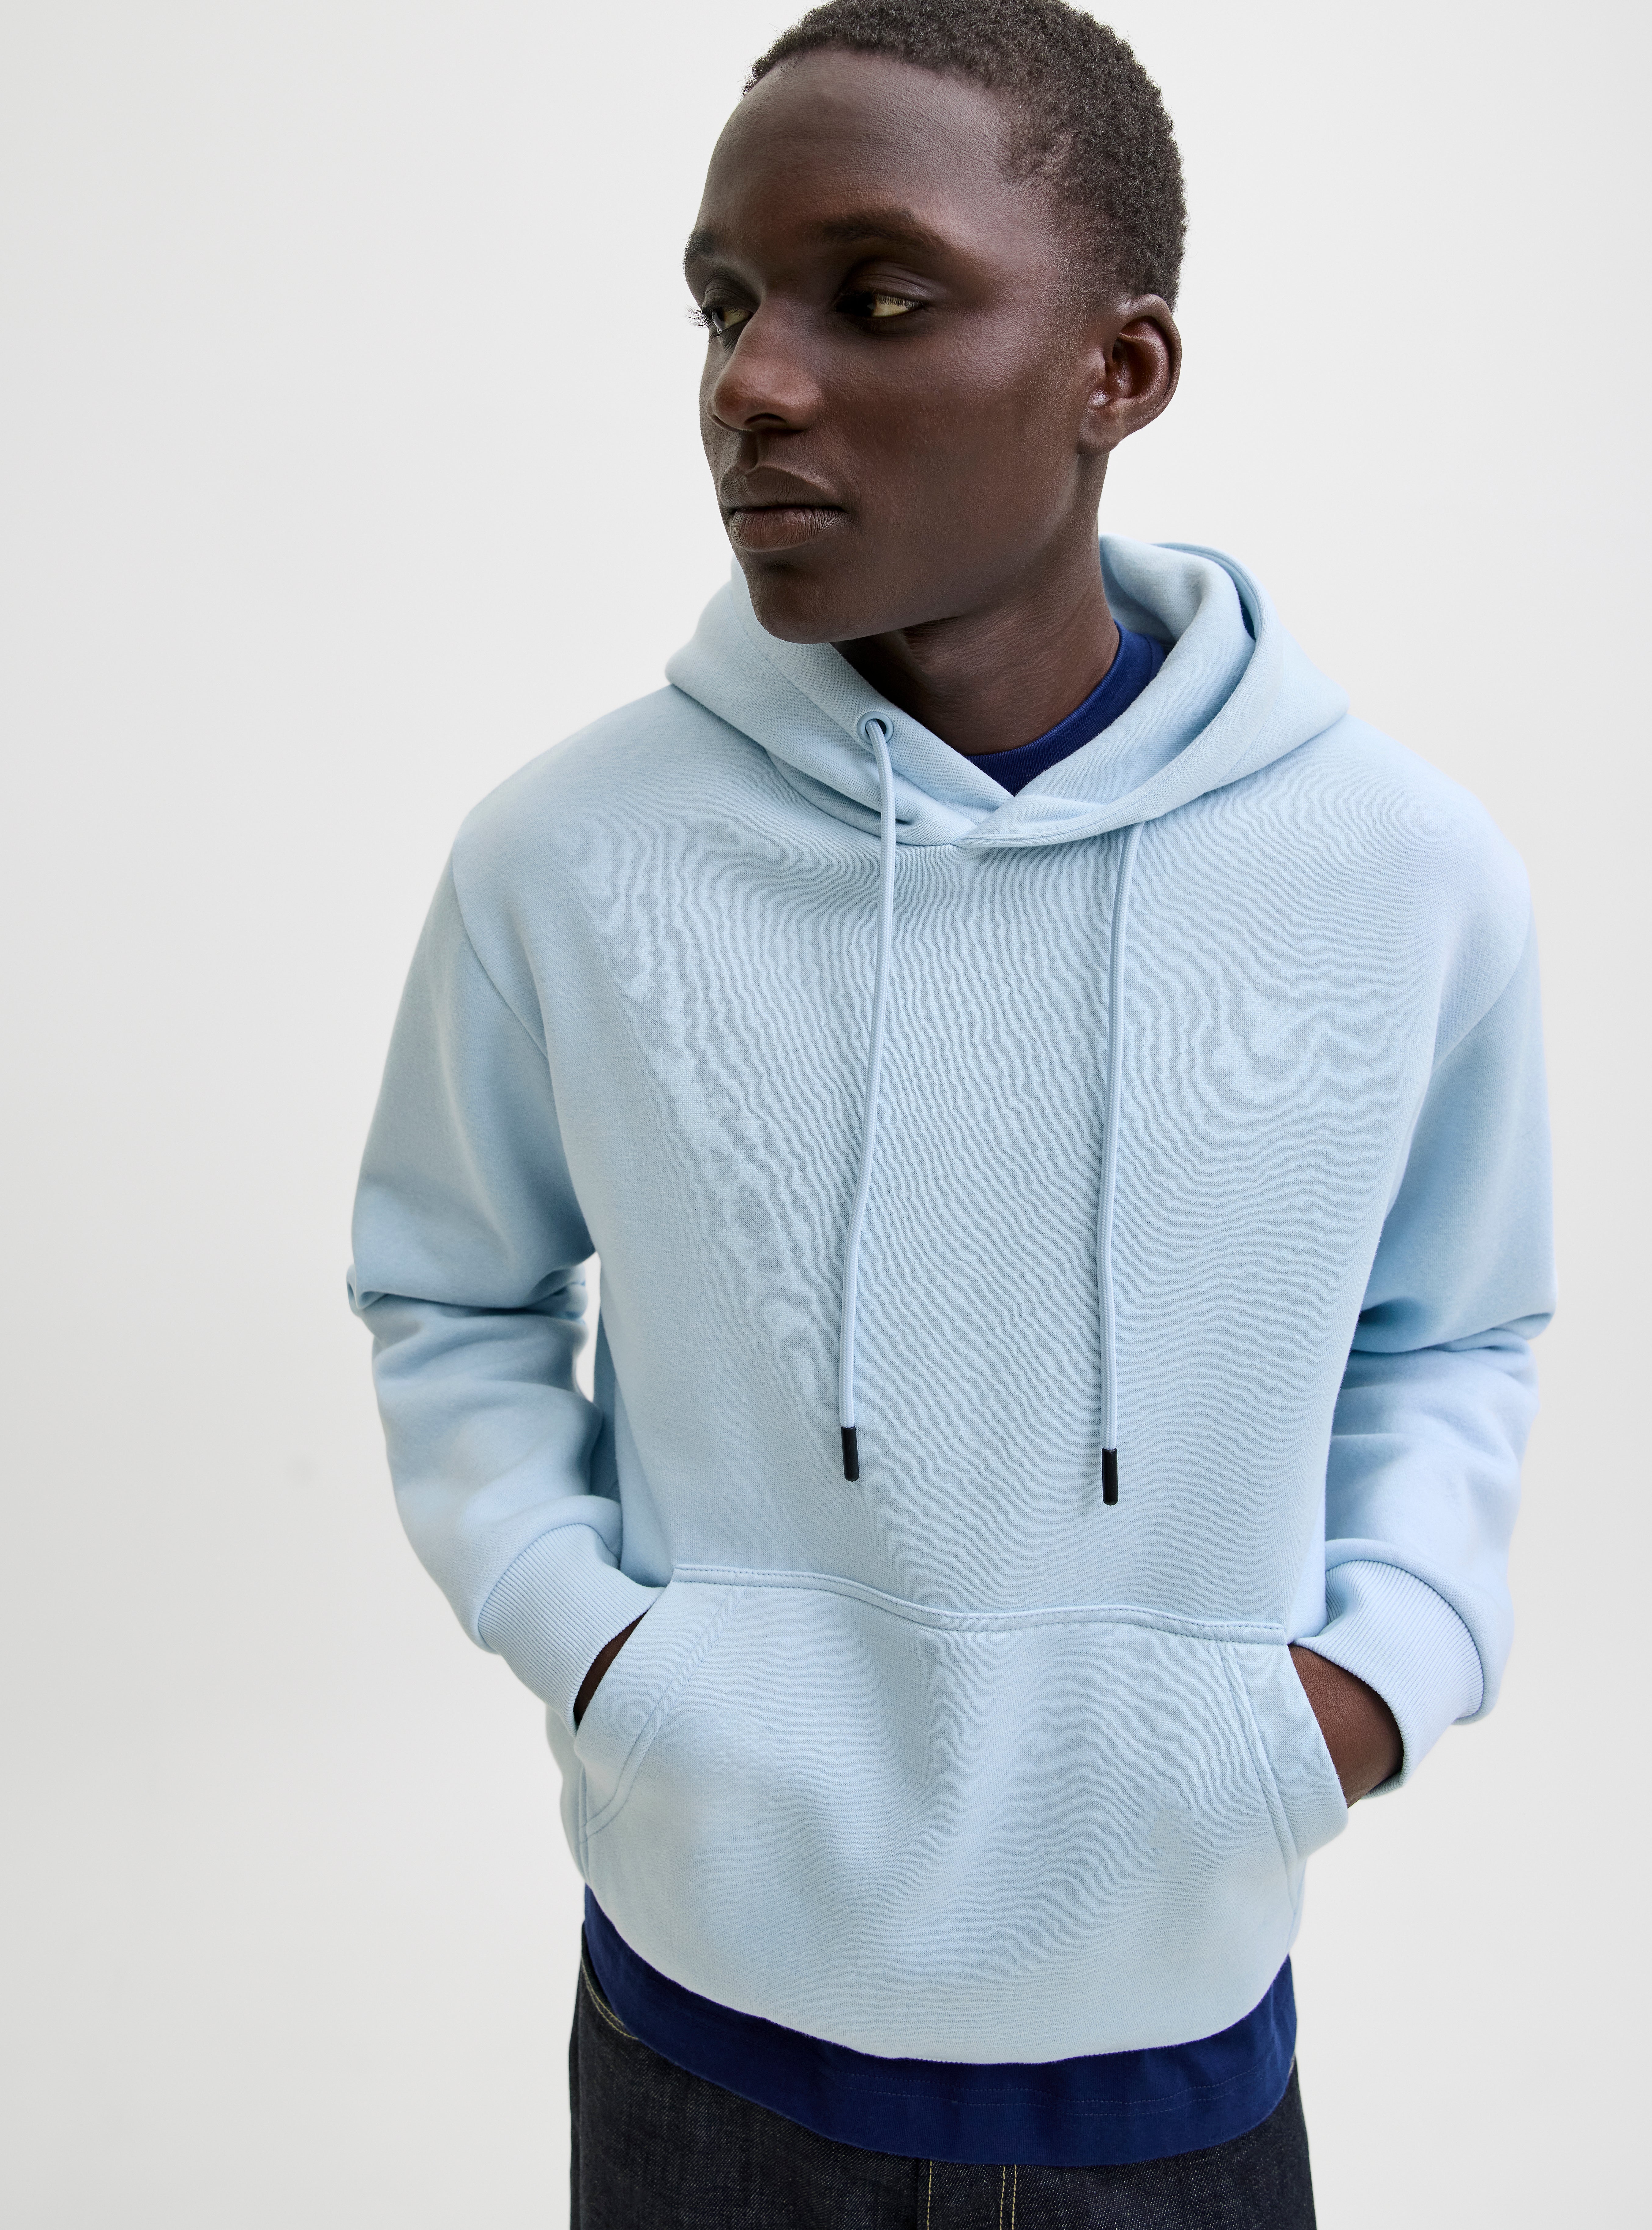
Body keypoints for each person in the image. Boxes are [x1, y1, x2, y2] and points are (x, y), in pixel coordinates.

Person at [349, 3, 1553, 2222]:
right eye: (724, 305)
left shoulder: (1401, 880)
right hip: (704, 2042)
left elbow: (1454, 1329)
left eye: (876, 298)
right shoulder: (564, 862)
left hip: (1174, 2059)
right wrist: (603, 1650)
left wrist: (1369, 1677)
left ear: (1120, 369)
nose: (753, 382)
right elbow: (448, 1291)